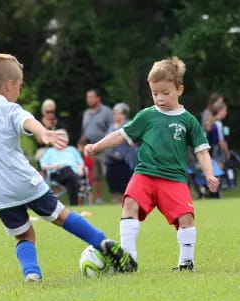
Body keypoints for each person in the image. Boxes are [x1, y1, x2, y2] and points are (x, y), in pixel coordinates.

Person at [0, 53, 136, 282]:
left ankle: (32, 274)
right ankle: (100, 241)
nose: (19, 91)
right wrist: (43, 132)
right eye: (20, 86)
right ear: (9, 85)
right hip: (23, 181)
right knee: (61, 216)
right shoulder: (11, 109)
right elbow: (28, 122)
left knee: (24, 235)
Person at [85, 56, 219, 271]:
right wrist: (97, 146)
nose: (160, 98)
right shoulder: (147, 116)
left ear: (179, 90)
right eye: (155, 93)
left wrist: (210, 175)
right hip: (145, 174)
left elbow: (202, 152)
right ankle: (128, 259)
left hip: (174, 179)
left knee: (186, 217)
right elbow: (121, 135)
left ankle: (186, 262)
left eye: (166, 93)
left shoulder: (188, 121)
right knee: (129, 204)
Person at [81, 89, 113, 204]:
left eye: (91, 97)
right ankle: (99, 200)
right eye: (87, 97)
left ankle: (115, 198)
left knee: (108, 174)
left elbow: (112, 129)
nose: (89, 100)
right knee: (95, 176)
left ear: (98, 98)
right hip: (91, 148)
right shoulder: (86, 113)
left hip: (104, 147)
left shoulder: (106, 112)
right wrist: (81, 142)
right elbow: (85, 131)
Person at [40, 130, 85, 206]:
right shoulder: (50, 151)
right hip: (57, 174)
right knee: (68, 170)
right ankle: (80, 186)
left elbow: (81, 162)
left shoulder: (72, 149)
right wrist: (54, 166)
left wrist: (80, 169)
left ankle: (74, 205)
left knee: (70, 180)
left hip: (73, 174)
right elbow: (43, 165)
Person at [104, 103, 138, 203]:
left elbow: (133, 142)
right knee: (113, 185)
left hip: (125, 161)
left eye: (118, 114)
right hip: (111, 161)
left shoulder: (129, 125)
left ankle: (125, 205)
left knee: (125, 186)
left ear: (124, 114)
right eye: (114, 114)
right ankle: (115, 204)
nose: (116, 116)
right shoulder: (111, 126)